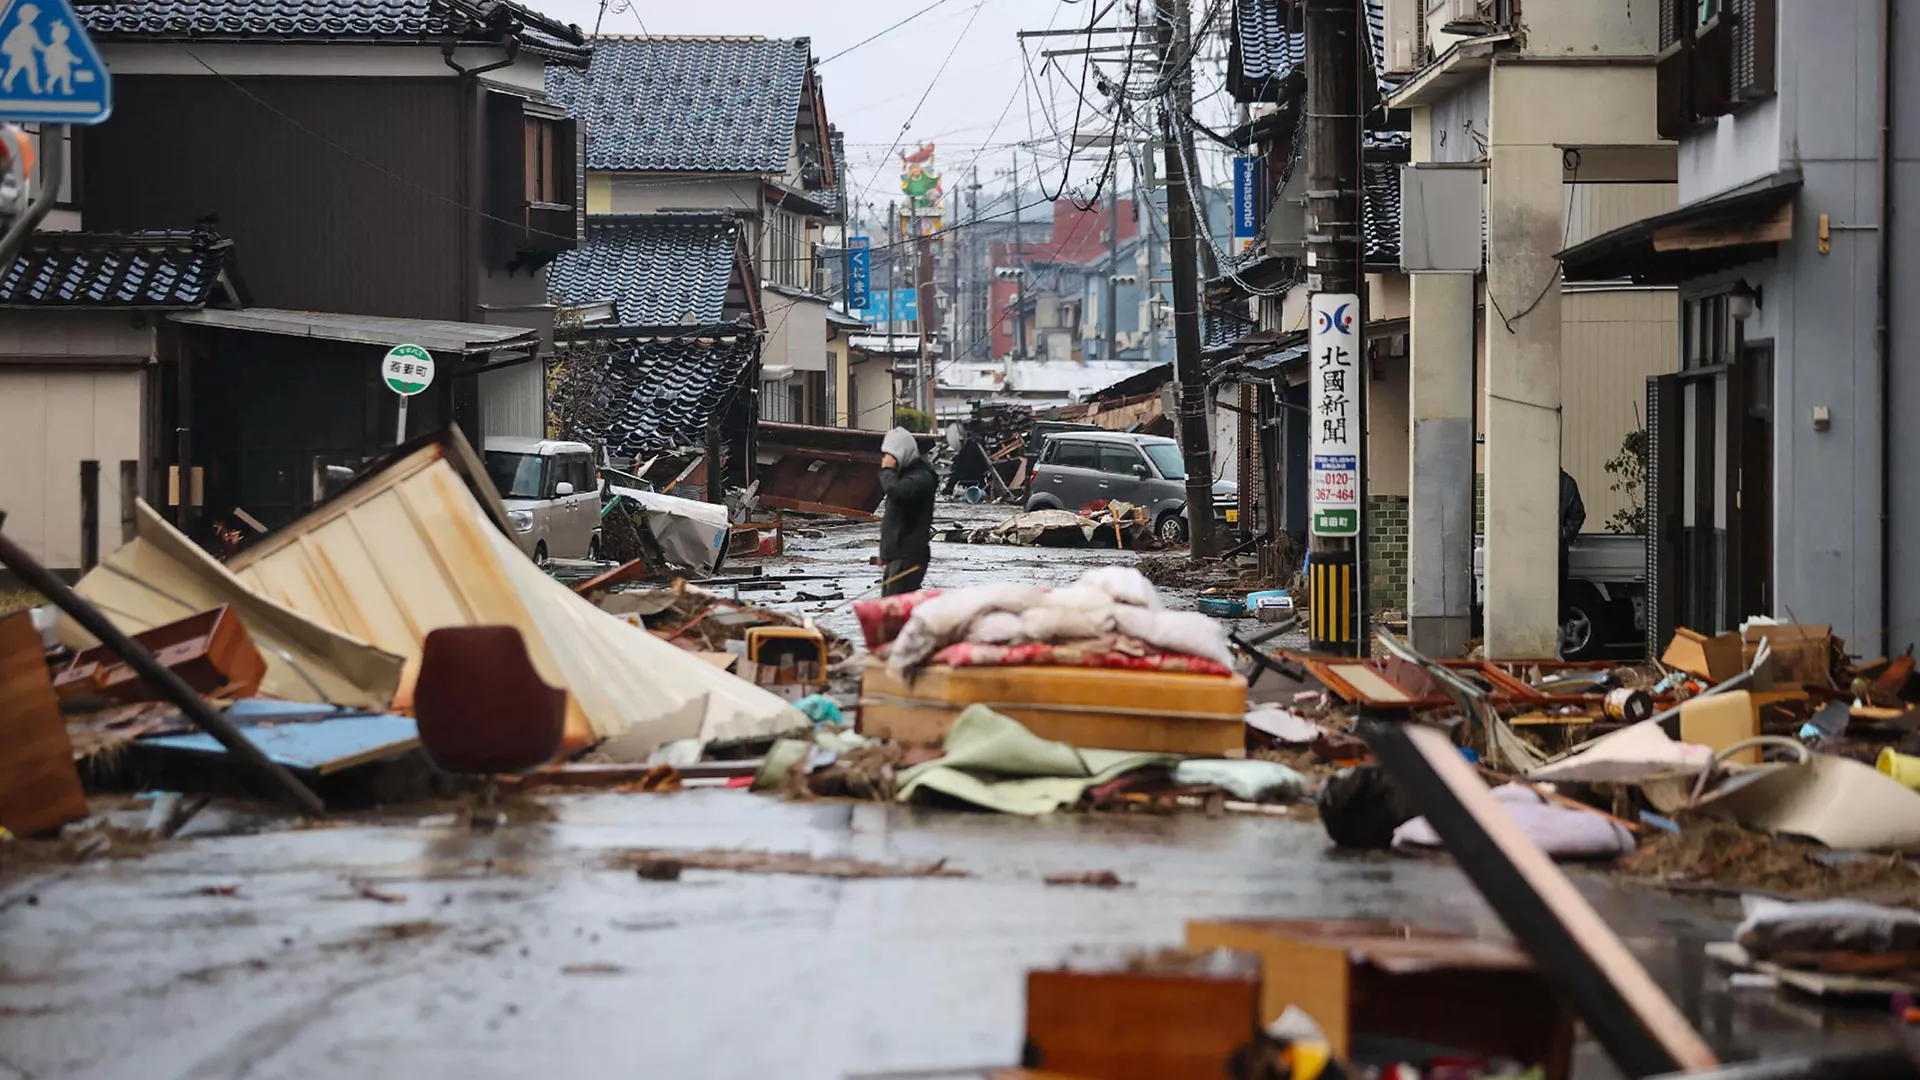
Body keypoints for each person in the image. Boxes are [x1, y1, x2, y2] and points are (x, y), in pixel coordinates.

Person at [878, 427, 936, 596]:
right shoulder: (905, 477)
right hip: (896, 556)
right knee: (889, 607)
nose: (886, 460)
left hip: (908, 557)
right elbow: (893, 520)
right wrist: (885, 552)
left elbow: (897, 493)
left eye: (890, 455)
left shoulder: (920, 478)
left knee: (896, 610)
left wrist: (886, 471)